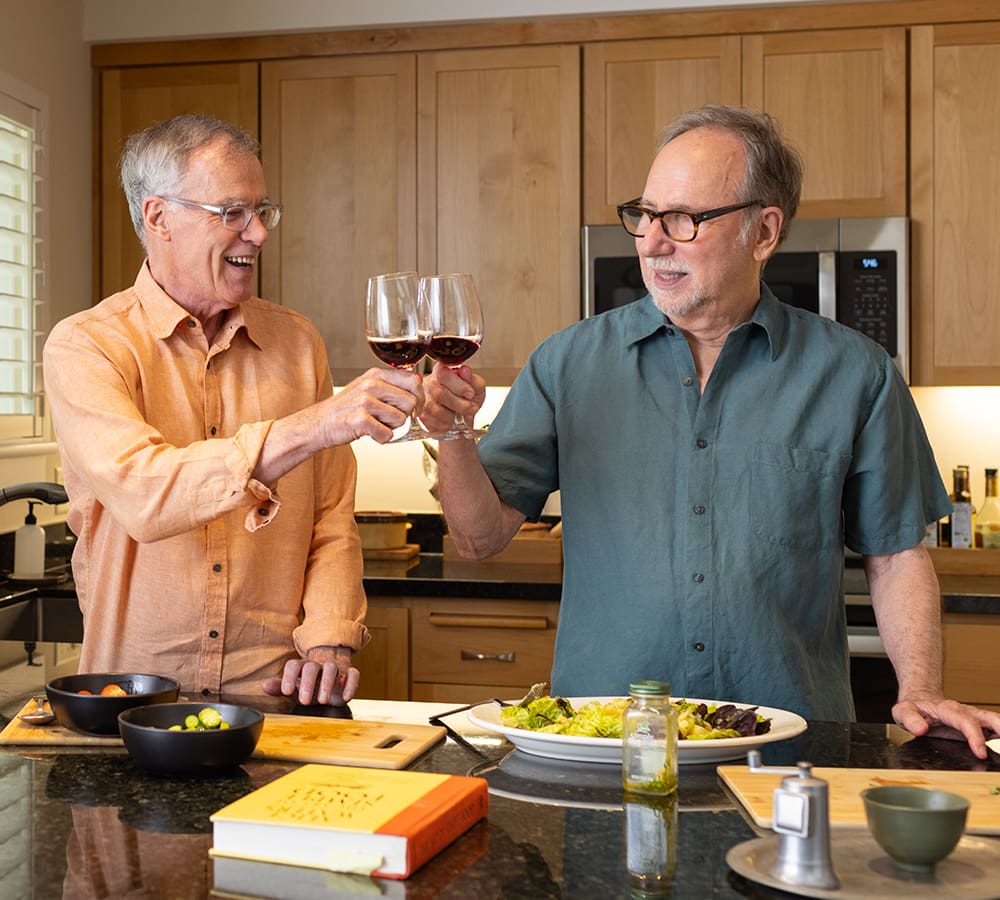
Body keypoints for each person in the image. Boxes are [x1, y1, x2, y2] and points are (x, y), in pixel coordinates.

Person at [421, 104, 1000, 758]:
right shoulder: (566, 363)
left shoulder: (853, 374)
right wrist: (453, 436)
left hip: (787, 752)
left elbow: (895, 555)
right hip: (607, 748)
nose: (652, 242)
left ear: (764, 231)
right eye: (645, 214)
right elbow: (477, 538)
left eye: (685, 219)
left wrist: (921, 687)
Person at [43, 114, 422, 706]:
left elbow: (329, 520)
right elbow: (145, 492)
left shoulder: (298, 343)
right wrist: (314, 425)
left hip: (277, 700)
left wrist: (328, 640)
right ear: (158, 217)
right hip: (133, 702)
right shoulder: (87, 345)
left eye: (262, 211)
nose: (258, 233)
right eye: (232, 213)